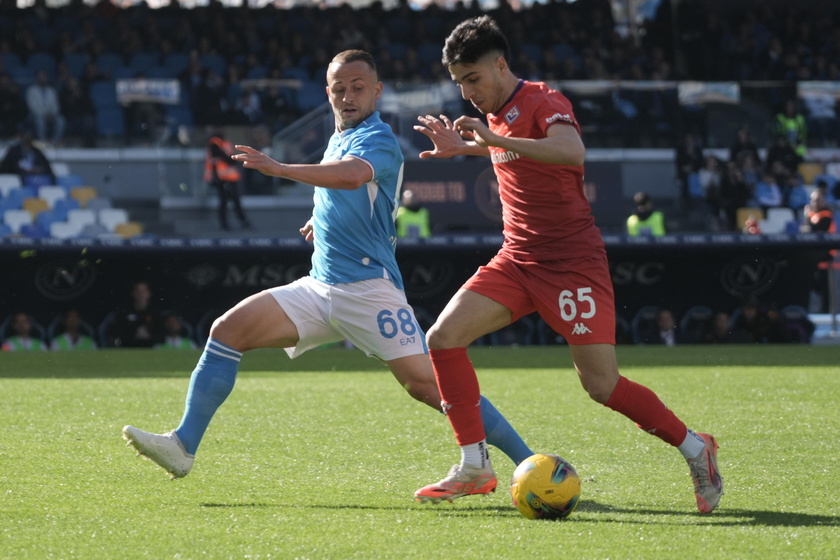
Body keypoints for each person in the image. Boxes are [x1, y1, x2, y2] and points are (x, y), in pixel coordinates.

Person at [122, 50, 533, 482]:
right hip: (320, 289)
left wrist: (279, 169)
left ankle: (525, 461)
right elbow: (345, 187)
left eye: (358, 88)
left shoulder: (379, 137)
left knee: (430, 386)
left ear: (377, 91)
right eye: (339, 89)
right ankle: (183, 445)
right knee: (227, 331)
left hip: (368, 290)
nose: (348, 96)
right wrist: (319, 218)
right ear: (327, 93)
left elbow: (354, 176)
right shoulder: (337, 137)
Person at [411, 17, 722, 514]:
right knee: (442, 339)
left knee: (601, 385)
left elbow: (570, 151)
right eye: (459, 83)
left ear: (500, 65)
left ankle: (695, 447)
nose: (468, 93)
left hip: (572, 262)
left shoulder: (544, 100)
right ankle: (475, 464)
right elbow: (515, 157)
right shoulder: (495, 113)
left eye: (473, 79)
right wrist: (468, 148)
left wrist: (492, 142)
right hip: (517, 259)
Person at [205, 128, 252, 232]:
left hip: (230, 177)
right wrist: (232, 160)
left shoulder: (225, 143)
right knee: (225, 202)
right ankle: (225, 224)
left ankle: (242, 222)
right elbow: (223, 158)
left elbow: (229, 158)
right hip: (222, 179)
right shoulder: (214, 143)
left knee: (234, 201)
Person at [108, 280, 164, 348]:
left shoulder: (156, 314)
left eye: (143, 291)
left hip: (151, 351)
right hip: (128, 351)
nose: (140, 294)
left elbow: (163, 337)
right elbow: (115, 336)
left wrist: (149, 336)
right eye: (138, 291)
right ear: (133, 293)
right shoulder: (123, 313)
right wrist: (133, 334)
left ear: (149, 293)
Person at [25, 69, 65, 146]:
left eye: (44, 76)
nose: (42, 78)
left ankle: (55, 141)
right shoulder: (31, 90)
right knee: (39, 120)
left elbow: (56, 106)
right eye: (40, 76)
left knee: (61, 120)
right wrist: (44, 115)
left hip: (51, 115)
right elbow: (32, 107)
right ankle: (42, 141)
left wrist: (52, 114)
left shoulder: (51, 91)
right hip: (35, 116)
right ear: (37, 78)